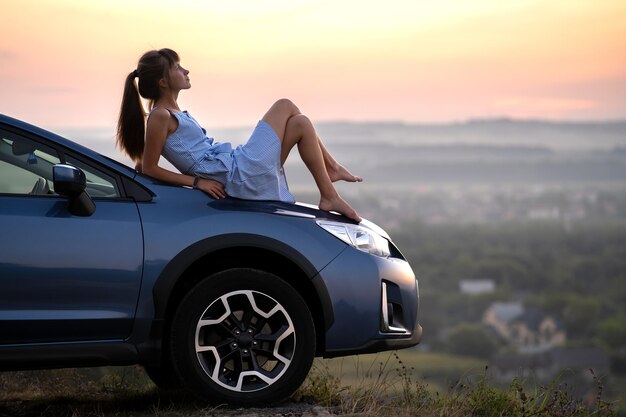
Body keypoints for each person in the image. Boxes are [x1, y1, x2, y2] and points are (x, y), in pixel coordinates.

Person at [116, 48, 362, 222]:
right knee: (285, 104)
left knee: (300, 123)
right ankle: (330, 182)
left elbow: (143, 162)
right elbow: (150, 168)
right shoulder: (160, 116)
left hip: (236, 169)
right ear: (163, 82)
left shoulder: (169, 113)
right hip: (236, 175)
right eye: (178, 67)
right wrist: (197, 182)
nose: (186, 70)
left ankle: (329, 182)